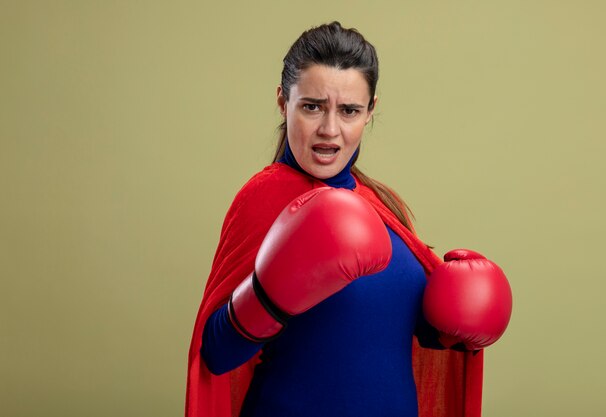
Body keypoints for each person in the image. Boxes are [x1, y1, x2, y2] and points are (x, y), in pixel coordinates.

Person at [185, 21, 511, 417]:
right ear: (282, 102)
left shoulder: (383, 205)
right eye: (311, 106)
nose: (329, 129)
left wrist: (455, 321)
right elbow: (216, 354)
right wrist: (269, 295)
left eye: (349, 110)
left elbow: (389, 334)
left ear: (370, 111)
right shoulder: (263, 199)